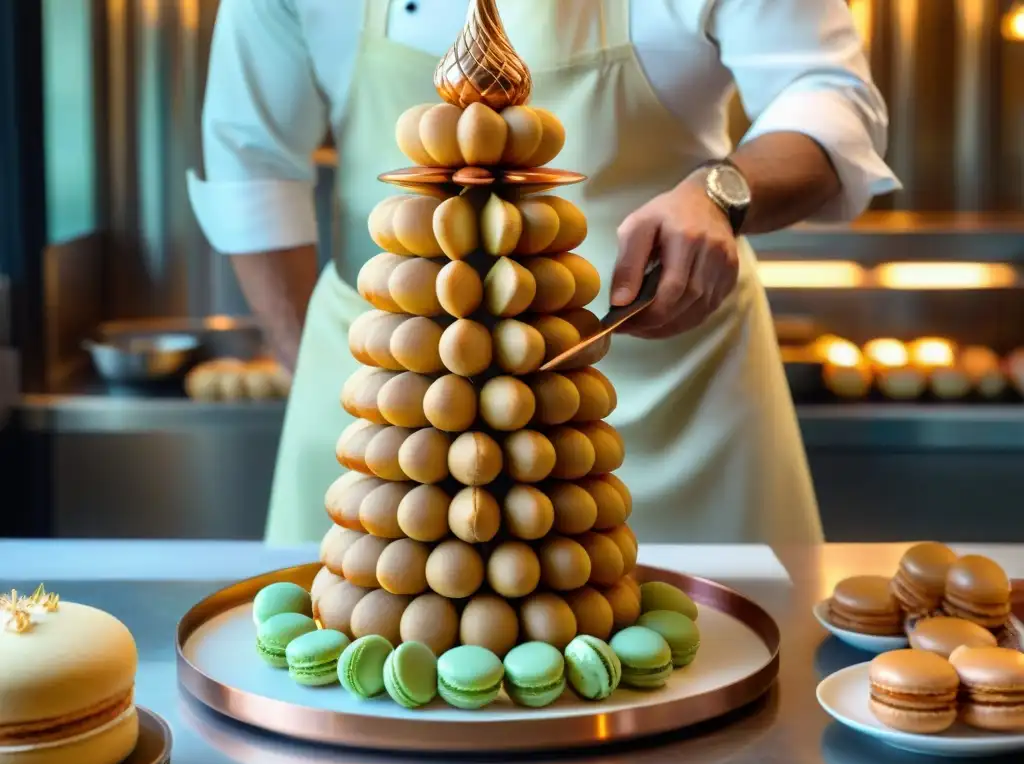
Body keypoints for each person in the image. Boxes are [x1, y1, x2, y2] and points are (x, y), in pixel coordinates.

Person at [189, 0, 898, 548]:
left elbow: (827, 95)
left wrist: (722, 193)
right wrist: (307, 360)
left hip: (664, 397)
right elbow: (250, 159)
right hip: (393, 414)